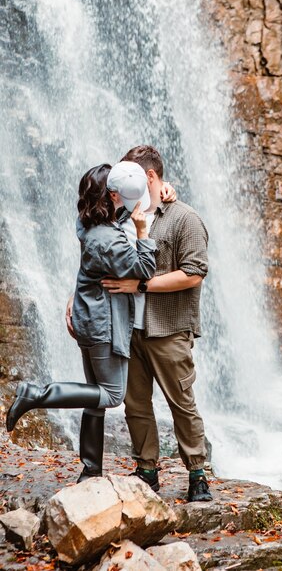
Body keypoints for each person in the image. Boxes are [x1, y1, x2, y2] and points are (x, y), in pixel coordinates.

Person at [6, 163, 157, 483]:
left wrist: (158, 194)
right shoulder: (109, 240)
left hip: (89, 317)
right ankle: (36, 394)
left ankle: (91, 470)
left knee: (94, 396)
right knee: (112, 395)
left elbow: (118, 218)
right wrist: (143, 232)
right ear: (110, 195)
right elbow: (144, 269)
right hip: (104, 324)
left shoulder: (89, 221)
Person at [101, 145, 212, 502]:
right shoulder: (122, 216)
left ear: (150, 176)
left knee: (181, 401)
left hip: (168, 328)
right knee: (135, 405)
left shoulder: (184, 218)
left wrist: (142, 285)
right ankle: (147, 471)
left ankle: (197, 474)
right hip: (127, 328)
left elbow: (194, 274)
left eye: (134, 175)